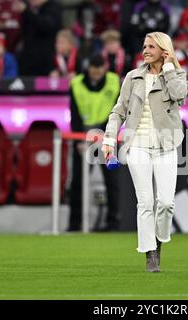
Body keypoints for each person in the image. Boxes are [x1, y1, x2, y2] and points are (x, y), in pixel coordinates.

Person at [101, 32, 188, 272]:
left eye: (151, 46)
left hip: (167, 145)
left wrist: (169, 67)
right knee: (145, 202)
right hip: (137, 143)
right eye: (144, 46)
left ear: (164, 50)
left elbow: (179, 95)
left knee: (167, 203)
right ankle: (150, 253)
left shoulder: (178, 75)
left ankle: (158, 240)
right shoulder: (132, 77)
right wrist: (109, 138)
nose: (145, 50)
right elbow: (118, 111)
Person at [68, 54, 121, 232]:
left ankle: (113, 222)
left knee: (112, 181)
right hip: (84, 137)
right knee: (78, 182)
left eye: (100, 71)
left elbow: (117, 110)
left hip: (107, 136)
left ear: (104, 68)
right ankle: (75, 224)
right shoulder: (76, 84)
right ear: (88, 67)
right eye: (94, 70)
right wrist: (78, 139)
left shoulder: (114, 82)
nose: (97, 74)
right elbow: (74, 113)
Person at [14, 0, 62, 76]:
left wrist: (27, 11)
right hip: (27, 59)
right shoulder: (29, 8)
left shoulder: (53, 7)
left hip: (46, 60)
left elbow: (46, 26)